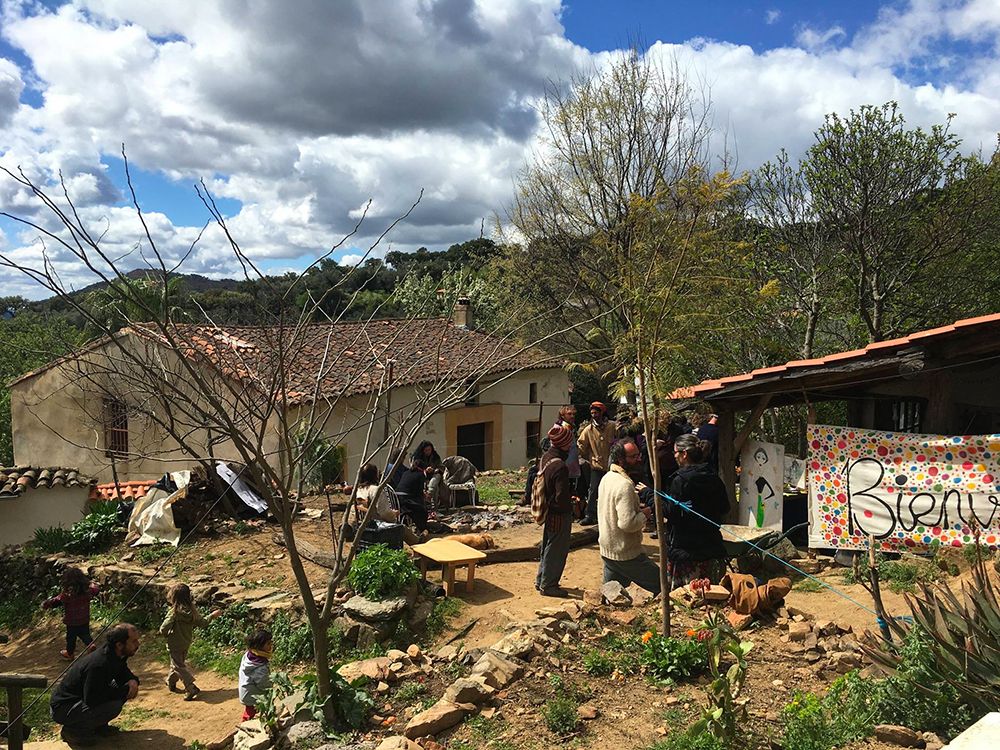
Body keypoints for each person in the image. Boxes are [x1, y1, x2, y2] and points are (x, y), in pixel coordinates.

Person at [50, 622, 140, 746]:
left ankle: (98, 726)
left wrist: (132, 681)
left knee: (121, 691)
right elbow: (92, 698)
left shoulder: (115, 655)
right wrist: (124, 691)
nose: (138, 644)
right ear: (119, 645)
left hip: (81, 699)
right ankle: (72, 732)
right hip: (63, 708)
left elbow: (122, 672)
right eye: (134, 641)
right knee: (113, 705)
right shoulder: (99, 664)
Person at [665, 433, 730, 587]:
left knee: (686, 596)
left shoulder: (680, 480)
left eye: (675, 452)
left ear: (684, 454)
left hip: (687, 553)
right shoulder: (713, 476)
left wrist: (649, 496)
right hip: (711, 548)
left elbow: (673, 514)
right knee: (712, 594)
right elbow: (725, 508)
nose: (674, 456)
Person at [597, 439, 661, 594]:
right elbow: (628, 524)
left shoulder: (607, 477)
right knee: (662, 584)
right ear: (621, 460)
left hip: (608, 550)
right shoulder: (624, 485)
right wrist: (645, 514)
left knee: (613, 596)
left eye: (638, 455)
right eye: (633, 457)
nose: (638, 459)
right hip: (626, 554)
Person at [160, 583, 222, 701]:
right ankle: (171, 682)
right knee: (177, 664)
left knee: (178, 666)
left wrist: (165, 634)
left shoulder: (174, 613)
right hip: (186, 642)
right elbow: (203, 623)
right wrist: (212, 616)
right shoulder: (192, 611)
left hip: (174, 643)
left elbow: (163, 628)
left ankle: (190, 687)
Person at [535, 424, 575, 597]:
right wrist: (572, 505)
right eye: (569, 442)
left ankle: (541, 580)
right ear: (564, 444)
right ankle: (549, 585)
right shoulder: (560, 467)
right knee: (557, 550)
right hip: (559, 514)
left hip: (548, 511)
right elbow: (561, 497)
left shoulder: (546, 458)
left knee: (548, 547)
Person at [350, 463, 422, 545]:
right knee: (402, 528)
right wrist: (394, 514)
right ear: (374, 475)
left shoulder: (358, 490)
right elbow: (384, 513)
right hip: (378, 525)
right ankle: (418, 542)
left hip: (362, 525)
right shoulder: (376, 490)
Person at [43, 567, 99, 660]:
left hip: (71, 622)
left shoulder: (66, 595)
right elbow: (96, 590)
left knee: (71, 638)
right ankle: (90, 645)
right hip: (84, 618)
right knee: (85, 634)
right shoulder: (87, 591)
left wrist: (46, 604)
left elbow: (55, 601)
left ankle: (70, 653)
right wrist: (93, 584)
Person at [577, 401, 617, 526]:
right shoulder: (588, 430)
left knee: (612, 491)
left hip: (611, 466)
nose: (594, 415)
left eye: (596, 413)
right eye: (592, 413)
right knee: (593, 490)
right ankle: (590, 515)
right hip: (596, 466)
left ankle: (612, 516)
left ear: (602, 412)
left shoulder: (612, 426)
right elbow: (581, 446)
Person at [239, 628, 273, 721]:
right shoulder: (259, 667)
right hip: (252, 695)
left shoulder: (249, 656)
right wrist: (271, 689)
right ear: (259, 646)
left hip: (247, 691)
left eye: (271, 643)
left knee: (250, 711)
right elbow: (263, 684)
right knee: (255, 712)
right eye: (268, 644)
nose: (271, 646)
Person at [394, 458, 432, 531]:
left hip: (396, 499)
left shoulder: (406, 473)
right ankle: (422, 529)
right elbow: (419, 493)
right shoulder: (420, 475)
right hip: (406, 500)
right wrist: (425, 497)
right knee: (422, 511)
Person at [554, 406, 581, 493]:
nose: (572, 416)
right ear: (562, 415)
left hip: (571, 466)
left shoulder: (571, 427)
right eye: (569, 414)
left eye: (573, 414)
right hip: (563, 466)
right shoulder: (559, 428)